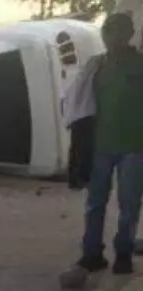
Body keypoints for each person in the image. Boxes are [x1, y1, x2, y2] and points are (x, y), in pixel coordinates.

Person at [64, 12, 143, 276]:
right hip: (100, 145)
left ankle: (124, 253)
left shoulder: (140, 65)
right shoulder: (96, 65)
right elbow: (77, 101)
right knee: (95, 201)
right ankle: (92, 253)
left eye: (117, 32)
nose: (111, 38)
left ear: (128, 34)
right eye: (107, 32)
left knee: (129, 203)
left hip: (135, 146)